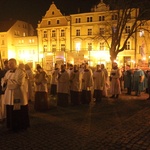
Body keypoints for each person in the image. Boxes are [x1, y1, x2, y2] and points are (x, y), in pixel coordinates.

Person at [2, 58, 30, 132]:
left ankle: (20, 126)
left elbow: (19, 83)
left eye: (11, 63)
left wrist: (8, 82)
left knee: (18, 111)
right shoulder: (8, 72)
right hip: (9, 95)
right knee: (10, 110)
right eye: (9, 63)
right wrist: (5, 82)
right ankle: (11, 126)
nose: (9, 65)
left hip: (18, 95)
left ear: (15, 64)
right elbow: (4, 80)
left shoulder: (20, 72)